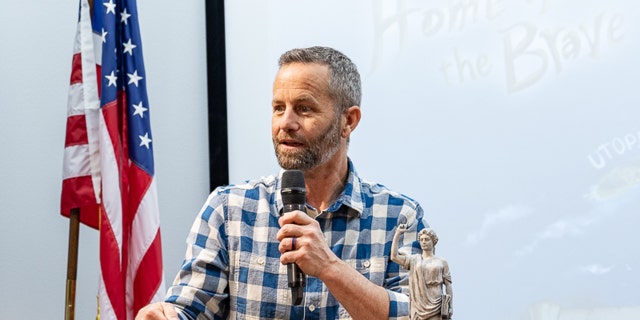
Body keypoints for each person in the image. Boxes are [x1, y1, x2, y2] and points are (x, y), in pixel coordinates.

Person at [136, 46, 429, 320]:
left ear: (348, 121)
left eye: (304, 108)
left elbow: (421, 314)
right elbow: (190, 310)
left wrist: (330, 268)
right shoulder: (229, 210)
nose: (285, 123)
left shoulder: (399, 217)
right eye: (278, 107)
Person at [391, 225, 453, 320]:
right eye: (422, 240)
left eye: (427, 239)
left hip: (436, 301)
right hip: (418, 303)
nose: (423, 242)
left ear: (433, 242)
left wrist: (450, 305)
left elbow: (448, 285)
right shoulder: (414, 259)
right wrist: (397, 234)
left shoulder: (442, 261)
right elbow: (394, 257)